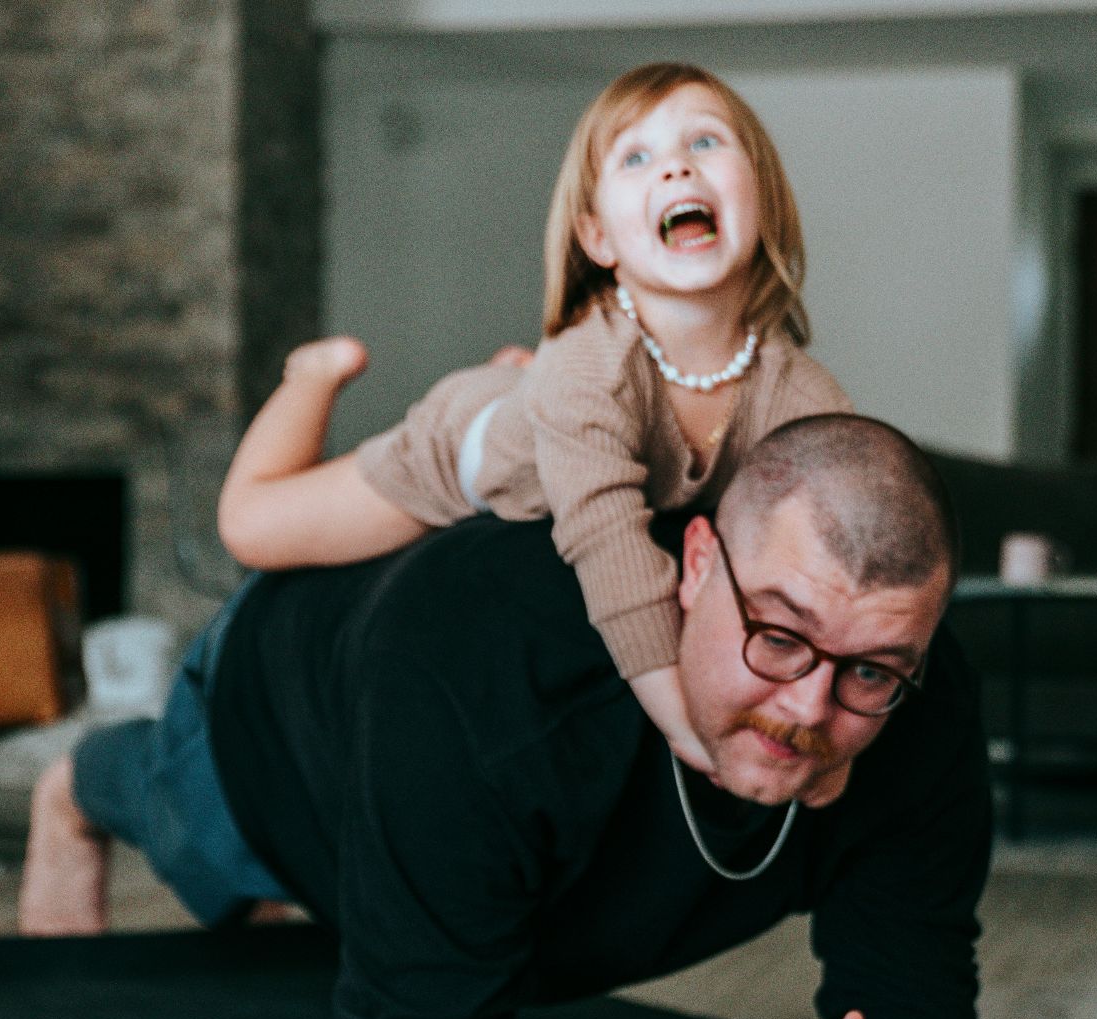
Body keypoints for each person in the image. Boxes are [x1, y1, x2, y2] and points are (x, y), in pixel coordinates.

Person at [20, 415, 992, 1019]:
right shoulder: (478, 688)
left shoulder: (920, 701)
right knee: (198, 842)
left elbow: (914, 1010)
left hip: (492, 818)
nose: (812, 710)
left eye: (869, 670)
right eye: (776, 636)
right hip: (283, 714)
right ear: (696, 566)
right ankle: (80, 784)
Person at [214, 62, 853, 779]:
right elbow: (611, 550)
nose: (675, 168)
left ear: (762, 196)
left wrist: (829, 739)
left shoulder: (799, 389)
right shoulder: (591, 371)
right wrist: (688, 730)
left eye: (705, 143)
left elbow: (839, 544)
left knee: (549, 400)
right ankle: (314, 375)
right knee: (252, 527)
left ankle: (519, 382)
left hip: (547, 404)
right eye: (637, 157)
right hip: (460, 452)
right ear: (599, 239)